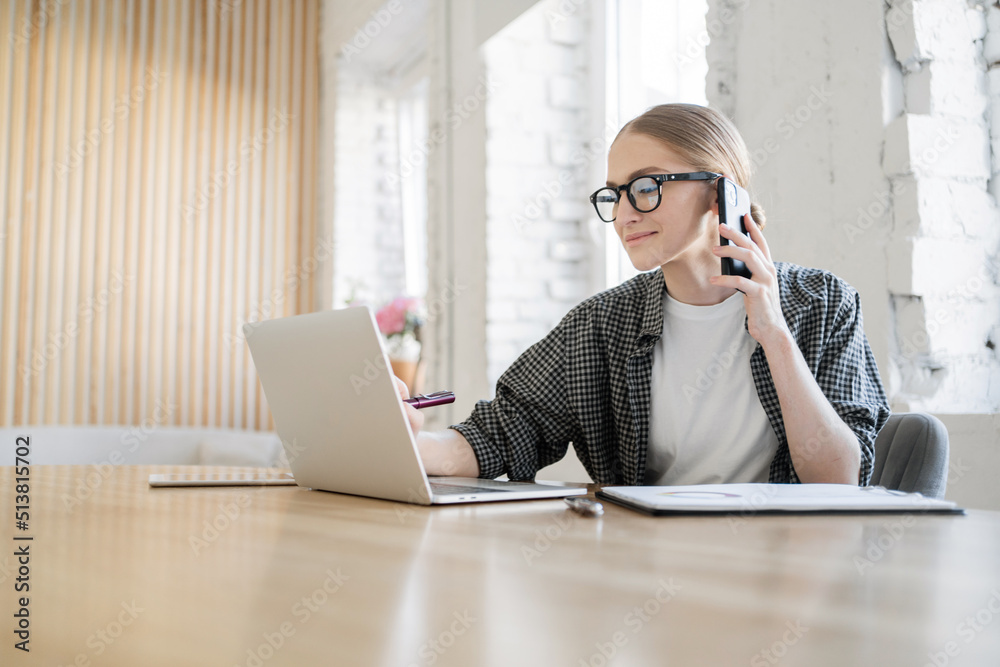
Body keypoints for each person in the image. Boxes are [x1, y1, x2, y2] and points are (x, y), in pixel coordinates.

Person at [400, 103, 890, 486]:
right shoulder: (599, 324)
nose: (625, 214)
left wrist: (773, 333)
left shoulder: (822, 304)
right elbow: (504, 431)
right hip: (645, 571)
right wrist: (406, 443)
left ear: (722, 193)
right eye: (615, 193)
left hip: (785, 574)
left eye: (647, 186)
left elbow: (840, 477)